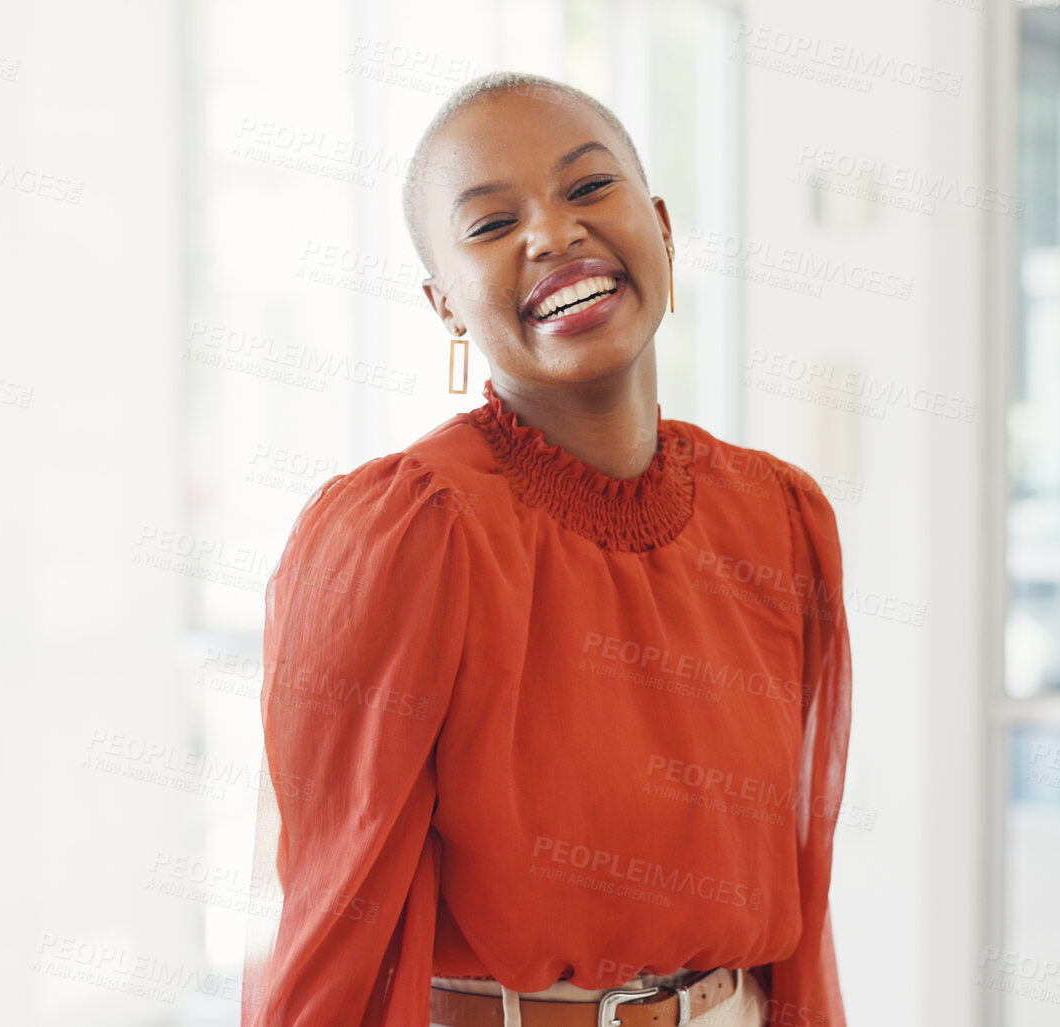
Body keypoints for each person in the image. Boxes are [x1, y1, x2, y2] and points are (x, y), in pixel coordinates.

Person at [242, 71, 852, 1027]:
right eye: (489, 225)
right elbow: (334, 934)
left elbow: (802, 906)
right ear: (444, 304)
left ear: (659, 227)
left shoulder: (778, 516)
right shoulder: (403, 533)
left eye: (587, 189)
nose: (552, 235)